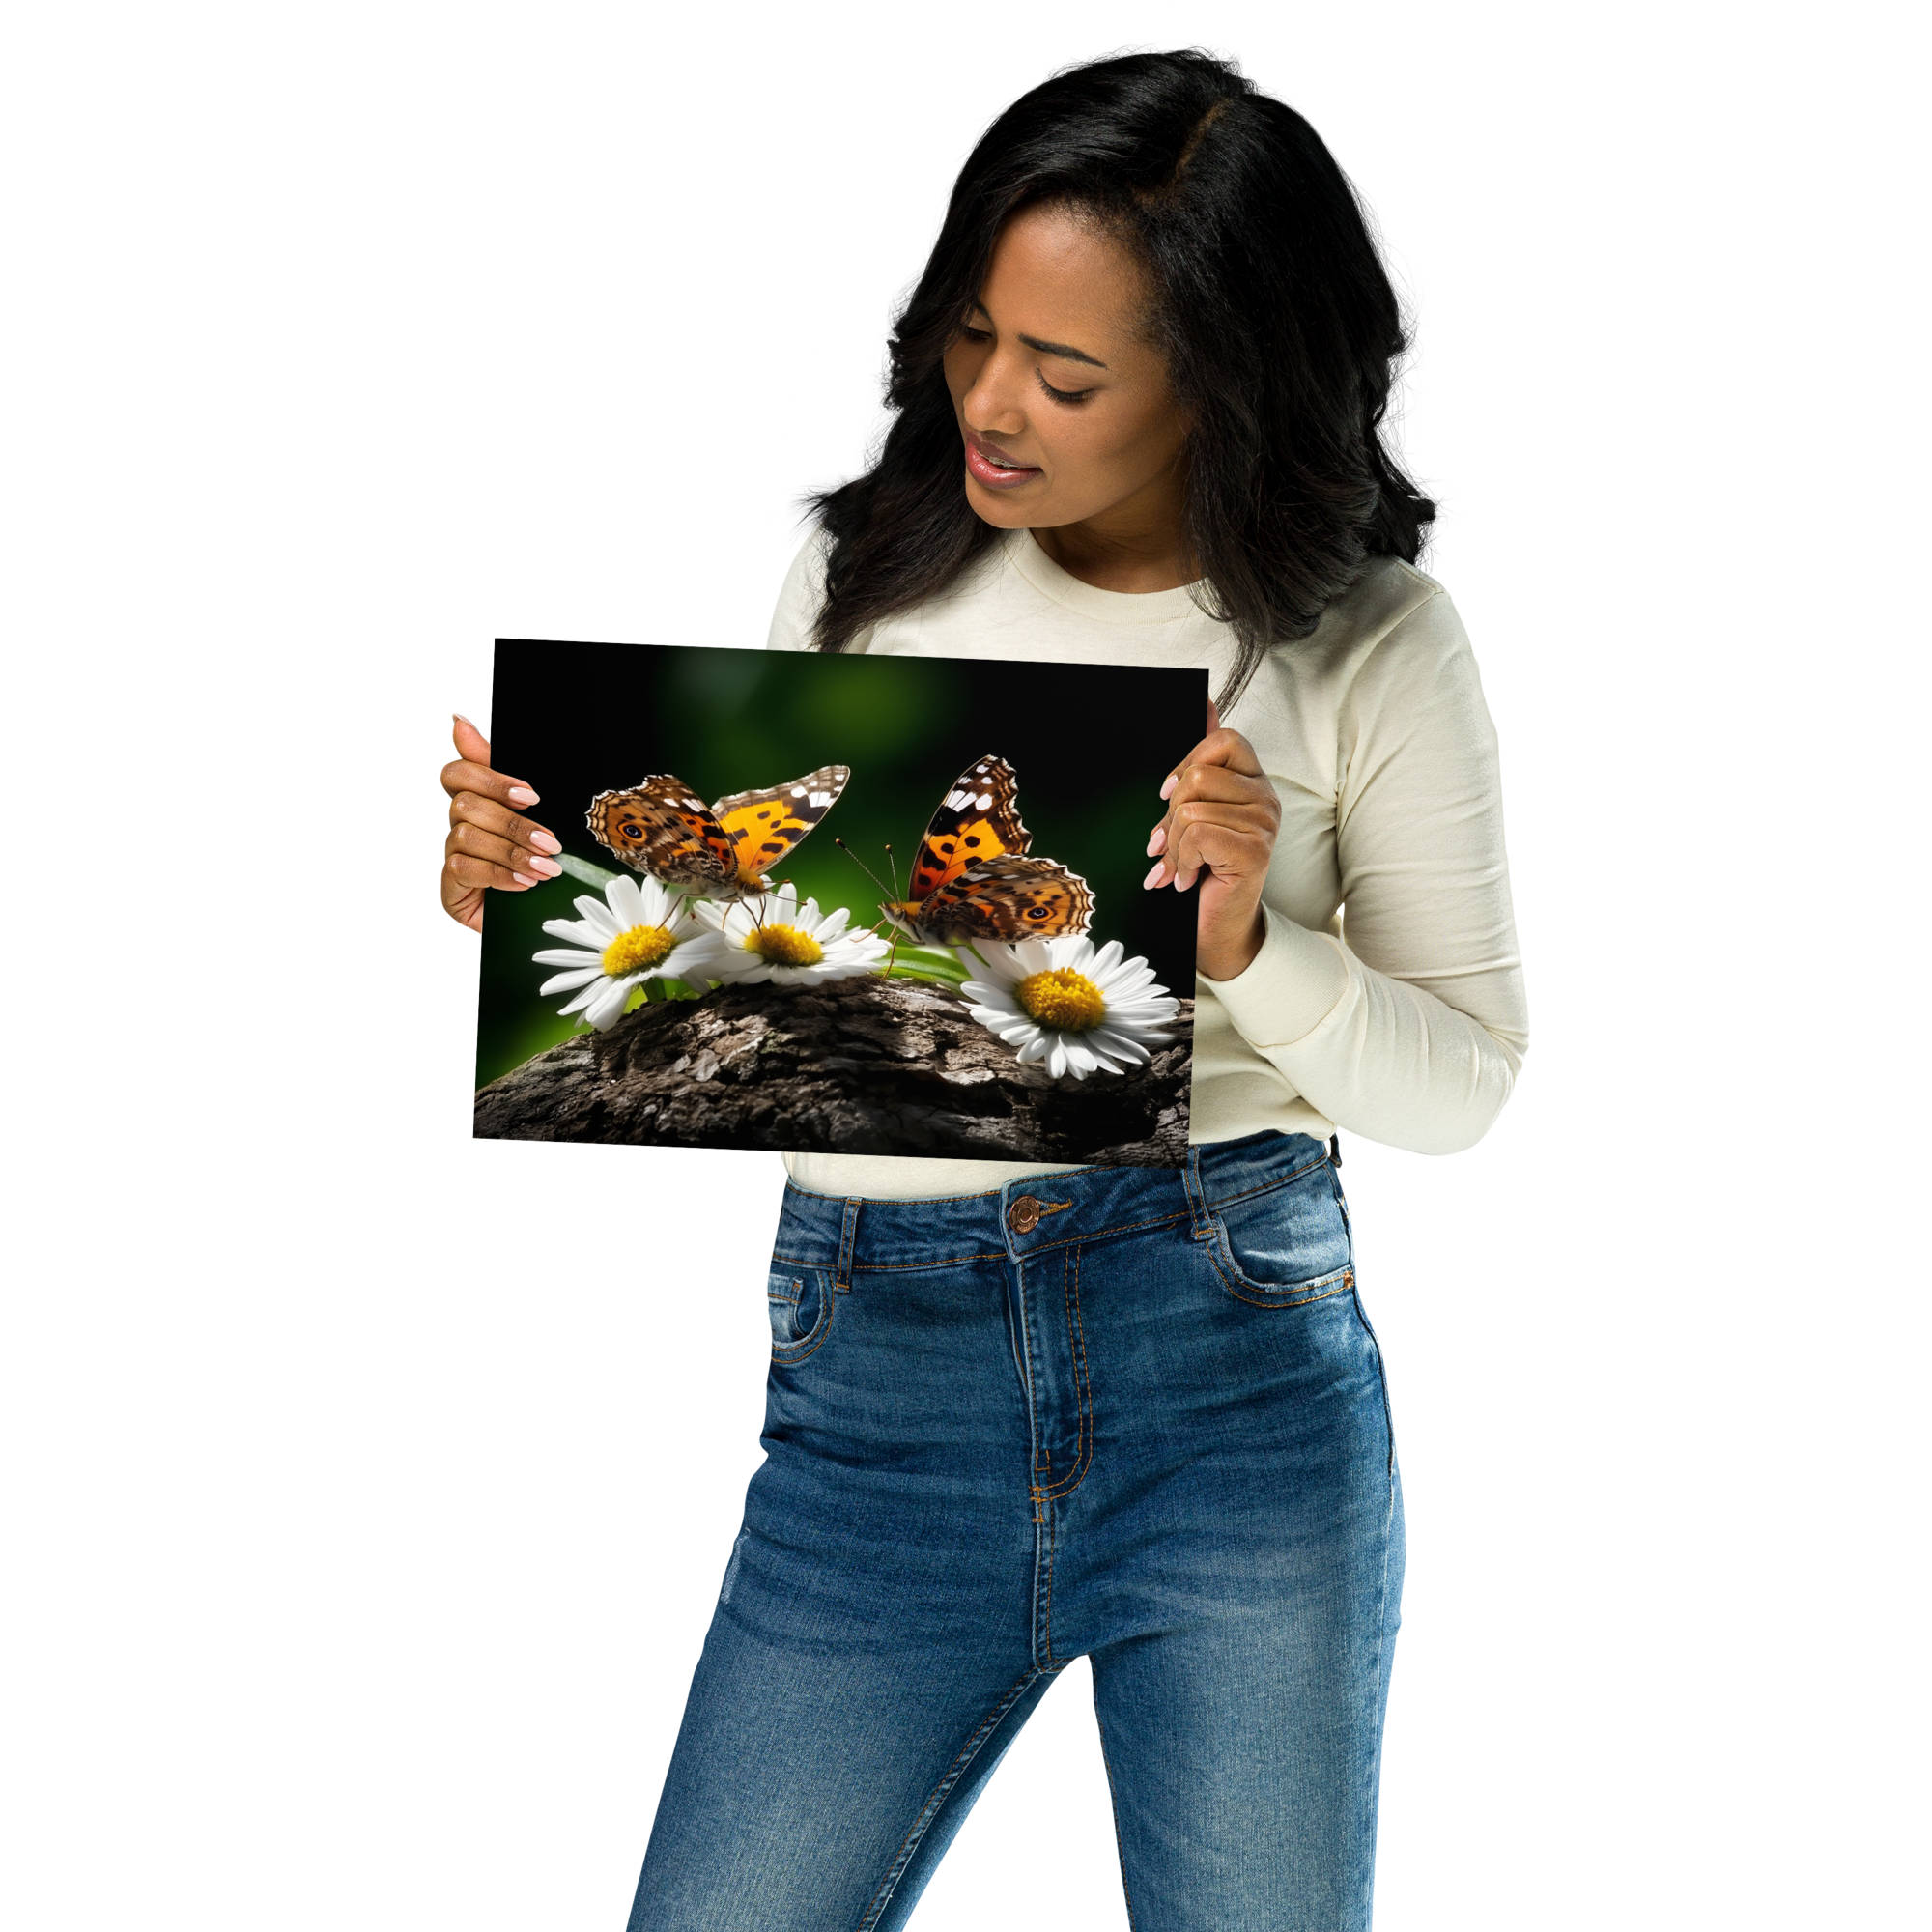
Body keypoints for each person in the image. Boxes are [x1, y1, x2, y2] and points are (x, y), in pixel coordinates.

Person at [442, 49, 1527, 1931]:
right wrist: (533, 907)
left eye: (1067, 371)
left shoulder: (1371, 636)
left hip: (1233, 1377)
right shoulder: (854, 570)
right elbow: (768, 1025)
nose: (988, 405)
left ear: (1223, 382)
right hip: (868, 1401)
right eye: (970, 335)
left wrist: (1252, 946)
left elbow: (1461, 1093)